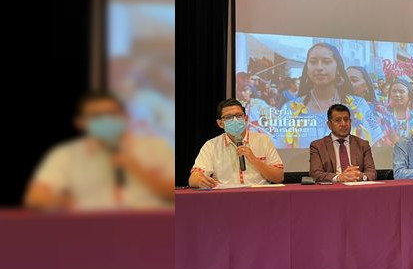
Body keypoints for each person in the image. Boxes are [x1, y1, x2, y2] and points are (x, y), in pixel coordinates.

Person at [24, 92, 175, 210]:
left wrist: (135, 168)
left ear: (124, 116)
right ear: (80, 122)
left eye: (112, 113)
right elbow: (35, 198)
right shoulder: (65, 154)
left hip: (150, 227)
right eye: (97, 116)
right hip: (90, 229)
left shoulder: (155, 147)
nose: (106, 120)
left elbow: (174, 194)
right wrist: (69, 203)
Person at [280, 43, 382, 148]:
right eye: (313, 62)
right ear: (307, 68)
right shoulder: (290, 109)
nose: (319, 67)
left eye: (326, 62)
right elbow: (279, 153)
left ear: (338, 68)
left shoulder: (359, 105)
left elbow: (375, 147)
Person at [189, 99, 284, 187]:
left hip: (259, 196)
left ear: (246, 119)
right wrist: (201, 181)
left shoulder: (263, 140)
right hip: (225, 198)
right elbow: (193, 179)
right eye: (229, 117)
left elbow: (279, 177)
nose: (235, 120)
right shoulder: (211, 146)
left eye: (238, 116)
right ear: (220, 123)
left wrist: (255, 160)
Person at [309, 104, 377, 183]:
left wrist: (361, 176)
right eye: (338, 120)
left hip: (357, 189)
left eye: (346, 119)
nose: (343, 124)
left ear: (350, 122)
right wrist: (338, 177)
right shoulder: (317, 146)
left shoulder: (362, 144)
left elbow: (372, 173)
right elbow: (315, 174)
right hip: (331, 191)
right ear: (329, 125)